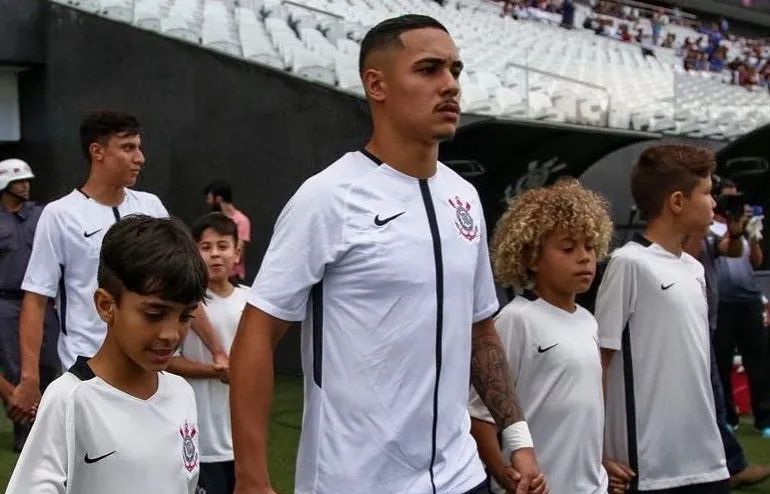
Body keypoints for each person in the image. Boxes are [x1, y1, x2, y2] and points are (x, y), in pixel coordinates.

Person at [229, 14, 546, 494]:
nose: (450, 86)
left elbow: (480, 330)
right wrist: (251, 477)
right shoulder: (328, 197)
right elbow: (257, 333)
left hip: (462, 477)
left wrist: (515, 435)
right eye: (429, 69)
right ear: (376, 84)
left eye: (455, 71)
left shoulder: (464, 197)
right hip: (357, 481)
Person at [10, 110, 228, 425]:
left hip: (149, 365)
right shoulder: (60, 215)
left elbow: (182, 291)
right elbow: (36, 298)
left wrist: (217, 349)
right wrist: (29, 377)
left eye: (139, 147)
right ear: (97, 152)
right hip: (87, 369)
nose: (139, 157)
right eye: (128, 147)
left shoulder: (150, 206)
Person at [6, 214, 207, 493]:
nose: (171, 334)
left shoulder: (182, 393)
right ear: (106, 305)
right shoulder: (70, 400)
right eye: (154, 314)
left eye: (186, 316)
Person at [595, 144, 729, 493]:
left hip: (707, 460)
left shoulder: (695, 269)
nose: (714, 202)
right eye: (707, 193)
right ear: (677, 202)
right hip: (650, 468)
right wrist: (597, 450)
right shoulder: (629, 263)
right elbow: (599, 364)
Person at [468, 180, 613, 494]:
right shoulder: (516, 320)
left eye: (590, 246)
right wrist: (503, 473)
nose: (585, 257)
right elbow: (480, 415)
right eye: (568, 248)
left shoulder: (589, 322)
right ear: (532, 257)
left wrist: (601, 465)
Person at [682, 229, 770, 489]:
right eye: (705, 193)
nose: (711, 203)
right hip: (700, 324)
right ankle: (727, 465)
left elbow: (741, 253)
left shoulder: (719, 237)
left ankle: (730, 464)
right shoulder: (703, 237)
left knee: (716, 392)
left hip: (711, 319)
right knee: (711, 393)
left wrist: (743, 234)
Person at [169, 212, 248, 494]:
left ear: (237, 252)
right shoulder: (184, 305)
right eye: (206, 247)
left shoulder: (251, 302)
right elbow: (169, 362)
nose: (215, 255)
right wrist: (215, 371)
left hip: (241, 439)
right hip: (200, 438)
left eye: (223, 246)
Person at [0, 158, 59, 451]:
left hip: (42, 301)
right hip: (7, 303)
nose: (25, 186)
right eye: (18, 181)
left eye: (26, 180)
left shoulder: (42, 215)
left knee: (49, 364)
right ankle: (25, 433)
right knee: (15, 367)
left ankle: (50, 427)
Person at [710, 191, 770, 435]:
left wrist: (753, 238)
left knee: (758, 362)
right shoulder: (710, 229)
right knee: (722, 361)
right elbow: (723, 249)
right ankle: (729, 418)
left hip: (749, 301)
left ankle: (765, 418)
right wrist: (733, 231)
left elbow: (755, 262)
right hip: (722, 302)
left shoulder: (746, 229)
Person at [204, 180, 251, 283]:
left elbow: (240, 248)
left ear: (219, 199)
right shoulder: (212, 218)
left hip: (233, 277)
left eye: (209, 198)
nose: (208, 202)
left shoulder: (241, 221)